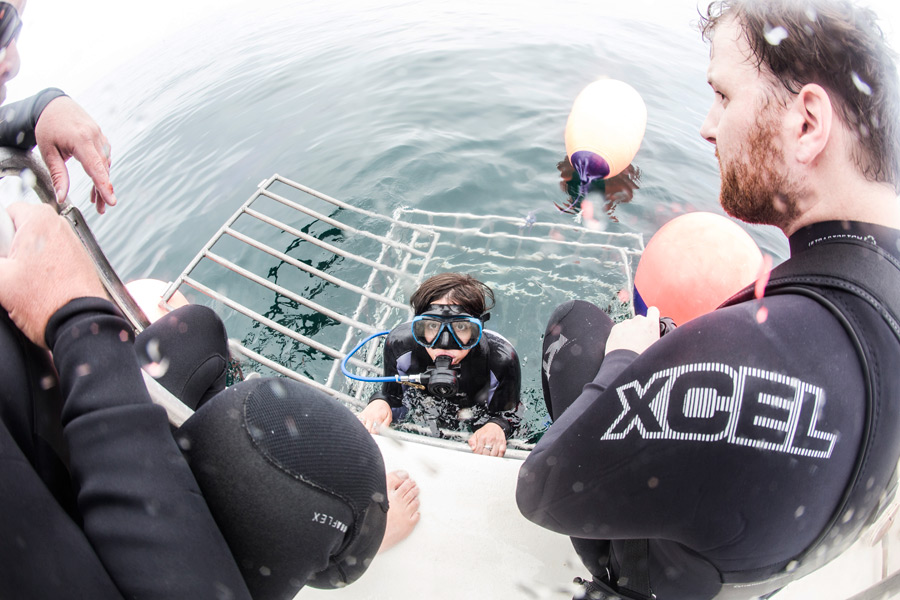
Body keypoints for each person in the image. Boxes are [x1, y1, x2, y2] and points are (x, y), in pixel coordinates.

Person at [516, 1, 900, 599]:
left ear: (807, 123)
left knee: (578, 325)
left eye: (722, 95)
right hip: (773, 553)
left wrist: (627, 358)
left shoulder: (749, 352)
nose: (706, 125)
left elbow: (541, 489)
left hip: (659, 579)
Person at [358, 272, 522, 457]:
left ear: (478, 329)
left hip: (477, 408)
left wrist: (497, 425)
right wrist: (381, 402)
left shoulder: (500, 360)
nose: (445, 342)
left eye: (461, 327)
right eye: (432, 326)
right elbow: (395, 399)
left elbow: (509, 415)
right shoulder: (399, 346)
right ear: (418, 327)